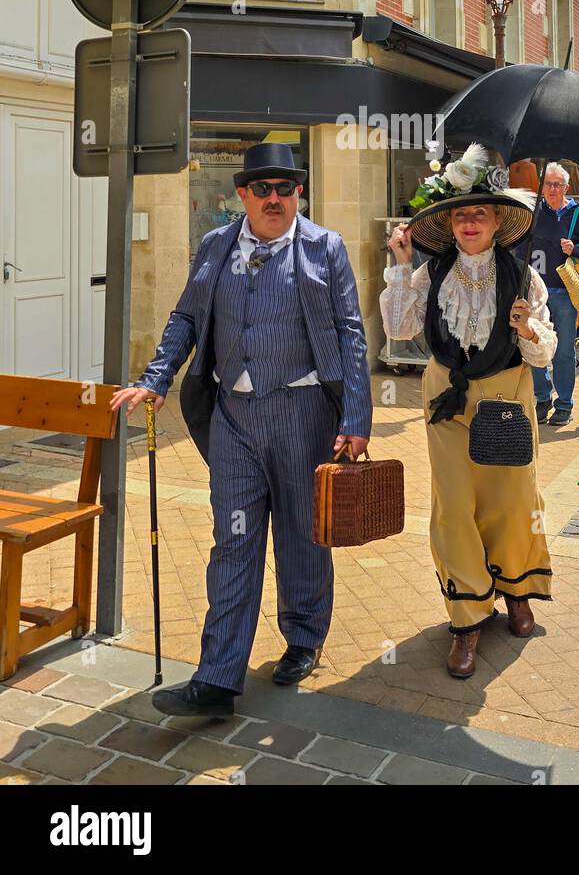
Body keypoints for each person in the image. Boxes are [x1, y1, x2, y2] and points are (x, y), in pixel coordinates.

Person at [110, 143, 372, 717]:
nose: (273, 198)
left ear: (298, 192)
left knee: (303, 533)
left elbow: (351, 332)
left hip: (304, 416)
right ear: (243, 195)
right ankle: (219, 676)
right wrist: (156, 379)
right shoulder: (215, 246)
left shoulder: (323, 248)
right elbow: (184, 317)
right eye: (262, 188)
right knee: (232, 540)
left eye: (285, 188)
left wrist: (356, 418)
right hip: (233, 418)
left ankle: (303, 638)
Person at [380, 145, 556, 680]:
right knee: (454, 506)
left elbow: (546, 353)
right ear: (450, 224)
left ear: (497, 220)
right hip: (447, 400)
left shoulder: (526, 279)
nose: (471, 221)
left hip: (508, 395)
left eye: (480, 212)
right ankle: (467, 617)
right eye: (461, 213)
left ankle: (517, 591)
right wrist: (401, 265)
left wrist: (526, 328)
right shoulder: (429, 275)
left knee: (512, 498)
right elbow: (400, 331)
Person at [528, 163, 579, 426]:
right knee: (534, 346)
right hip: (535, 293)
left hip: (564, 293)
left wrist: (576, 250)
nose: (552, 189)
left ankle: (564, 403)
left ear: (566, 187)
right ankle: (541, 398)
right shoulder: (531, 212)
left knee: (563, 351)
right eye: (548, 184)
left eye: (557, 184)